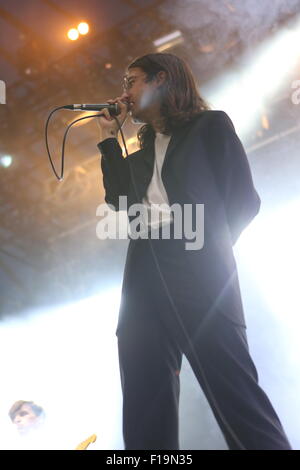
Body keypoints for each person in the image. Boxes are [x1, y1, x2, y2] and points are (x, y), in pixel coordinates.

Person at [97, 52, 292, 450]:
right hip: (144, 269)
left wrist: (206, 249)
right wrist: (108, 140)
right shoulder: (142, 152)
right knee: (144, 388)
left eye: (132, 81)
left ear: (162, 80)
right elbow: (119, 202)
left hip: (200, 266)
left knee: (231, 386)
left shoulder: (210, 126)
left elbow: (243, 199)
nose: (125, 92)